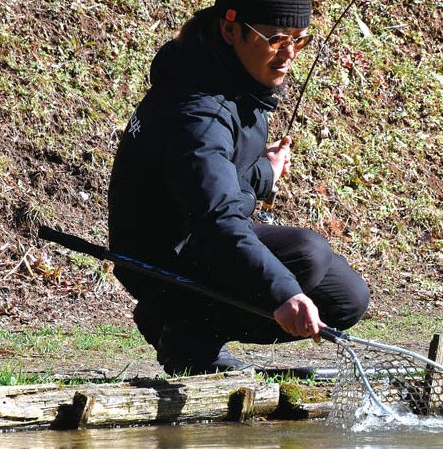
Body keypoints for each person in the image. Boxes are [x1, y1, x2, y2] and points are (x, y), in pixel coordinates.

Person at [107, 0, 369, 375]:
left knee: (345, 297)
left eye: (299, 40)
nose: (289, 54)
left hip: (200, 238)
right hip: (160, 260)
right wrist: (284, 294)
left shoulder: (234, 83)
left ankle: (185, 325)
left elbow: (221, 177)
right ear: (231, 30)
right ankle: (184, 334)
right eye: (277, 39)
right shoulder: (198, 110)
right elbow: (217, 218)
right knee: (306, 255)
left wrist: (265, 171)